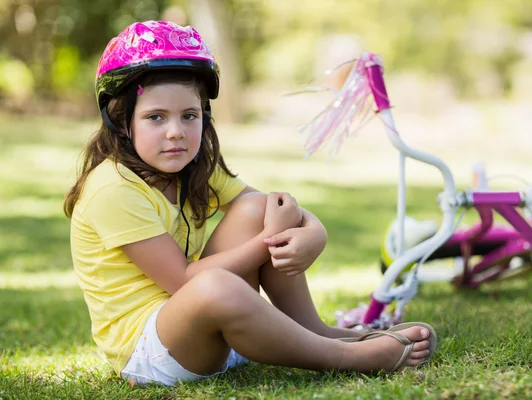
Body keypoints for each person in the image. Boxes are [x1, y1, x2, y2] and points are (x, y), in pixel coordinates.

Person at [64, 20, 437, 387]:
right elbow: (183, 281)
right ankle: (346, 358)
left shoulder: (191, 166)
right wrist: (265, 244)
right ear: (122, 121)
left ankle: (316, 331)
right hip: (151, 352)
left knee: (259, 209)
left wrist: (314, 233)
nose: (176, 131)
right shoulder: (112, 189)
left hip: (198, 318)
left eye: (189, 116)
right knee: (214, 285)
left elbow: (270, 207)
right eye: (155, 117)